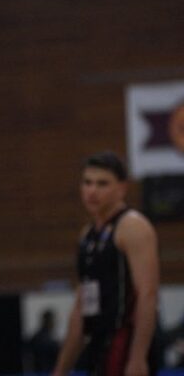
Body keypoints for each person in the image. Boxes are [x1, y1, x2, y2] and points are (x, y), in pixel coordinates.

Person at [52, 151, 160, 376]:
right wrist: (60, 370)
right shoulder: (87, 235)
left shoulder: (133, 227)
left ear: (122, 188)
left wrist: (138, 357)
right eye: (87, 183)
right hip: (98, 342)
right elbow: (81, 305)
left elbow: (148, 294)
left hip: (125, 342)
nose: (92, 191)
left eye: (102, 184)